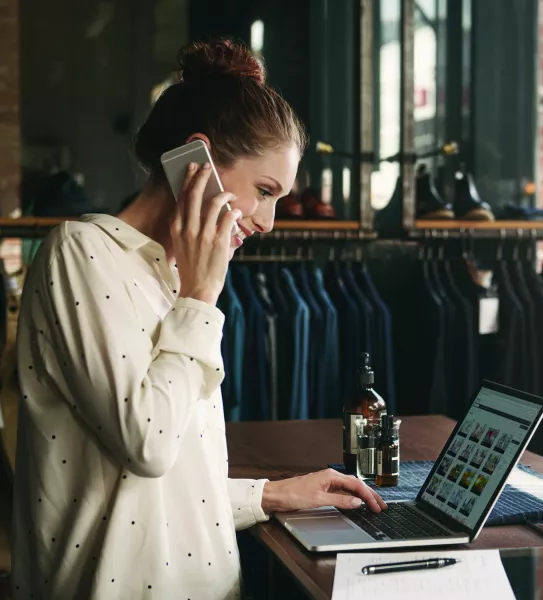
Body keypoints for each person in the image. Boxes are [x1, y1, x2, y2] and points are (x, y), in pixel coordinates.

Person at [11, 39, 386, 599]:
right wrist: (203, 295)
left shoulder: (176, 276)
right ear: (197, 161)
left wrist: (271, 494)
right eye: (264, 191)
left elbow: (168, 488)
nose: (269, 222)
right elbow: (148, 443)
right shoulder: (81, 254)